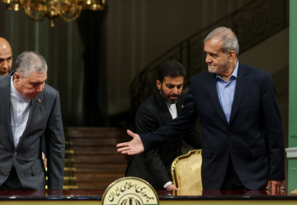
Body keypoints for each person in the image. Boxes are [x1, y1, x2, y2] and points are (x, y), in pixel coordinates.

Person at [117, 27, 285, 194]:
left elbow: (274, 131)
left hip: (254, 173)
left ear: (231, 55)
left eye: (213, 55)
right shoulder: (199, 84)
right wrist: (147, 140)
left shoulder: (260, 80)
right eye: (206, 53)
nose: (206, 59)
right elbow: (182, 123)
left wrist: (276, 173)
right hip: (215, 175)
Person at [0, 51, 65, 191]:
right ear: (17, 77)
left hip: (31, 179)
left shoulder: (51, 96)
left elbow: (56, 145)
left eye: (43, 82)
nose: (40, 89)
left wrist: (55, 190)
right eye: (34, 84)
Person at [125, 60, 201, 190]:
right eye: (170, 86)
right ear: (159, 84)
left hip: (171, 171)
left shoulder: (184, 100)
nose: (175, 91)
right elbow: (150, 152)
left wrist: (214, 148)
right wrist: (166, 183)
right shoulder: (147, 110)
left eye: (179, 86)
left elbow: (190, 134)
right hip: (145, 177)